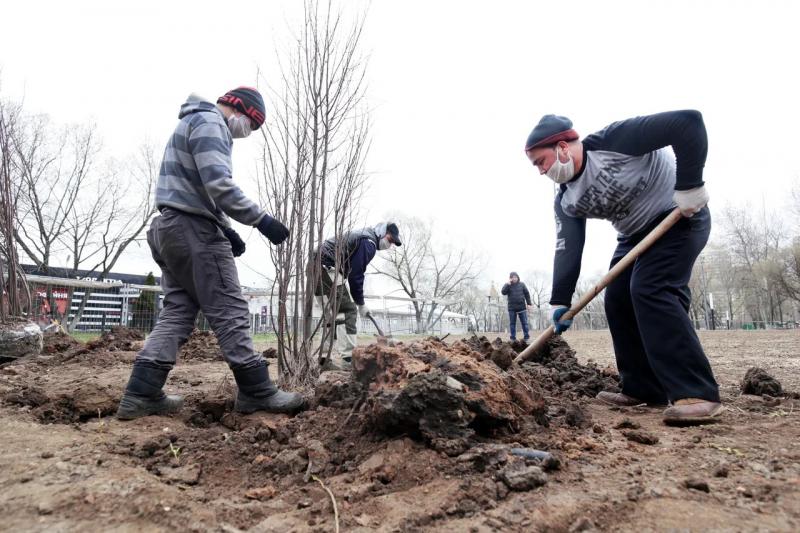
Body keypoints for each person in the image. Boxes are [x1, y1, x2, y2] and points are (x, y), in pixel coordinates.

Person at [117, 87, 304, 420]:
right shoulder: (211, 122)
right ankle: (257, 391)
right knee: (230, 308)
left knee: (177, 312)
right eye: (252, 124)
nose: (248, 133)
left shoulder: (190, 122)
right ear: (239, 109)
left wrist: (228, 229)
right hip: (194, 232)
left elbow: (198, 189)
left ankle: (141, 393)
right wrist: (261, 220)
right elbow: (218, 183)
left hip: (168, 229)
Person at [524, 110, 722, 425]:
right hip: (634, 235)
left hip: (679, 215)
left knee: (650, 288)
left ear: (562, 146)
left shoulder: (614, 140)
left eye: (540, 161)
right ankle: (644, 387)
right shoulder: (566, 199)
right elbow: (568, 247)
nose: (540, 171)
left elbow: (689, 123)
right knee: (617, 299)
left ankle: (696, 391)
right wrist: (560, 300)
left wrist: (690, 185)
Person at [314, 222, 402, 369]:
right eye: (390, 239)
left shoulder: (362, 236)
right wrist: (360, 303)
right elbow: (356, 275)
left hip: (314, 266)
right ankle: (348, 360)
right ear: (381, 232)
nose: (390, 244)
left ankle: (324, 359)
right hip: (326, 267)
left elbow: (352, 272)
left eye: (392, 243)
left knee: (331, 315)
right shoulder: (369, 242)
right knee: (347, 310)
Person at [501, 272, 532, 341]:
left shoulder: (522, 284)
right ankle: (513, 338)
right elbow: (503, 292)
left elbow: (527, 294)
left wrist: (529, 304)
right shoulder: (508, 285)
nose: (514, 278)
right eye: (513, 277)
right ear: (510, 278)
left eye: (515, 277)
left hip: (522, 307)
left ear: (518, 277)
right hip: (512, 308)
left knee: (524, 323)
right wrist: (507, 284)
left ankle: (526, 337)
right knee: (512, 324)